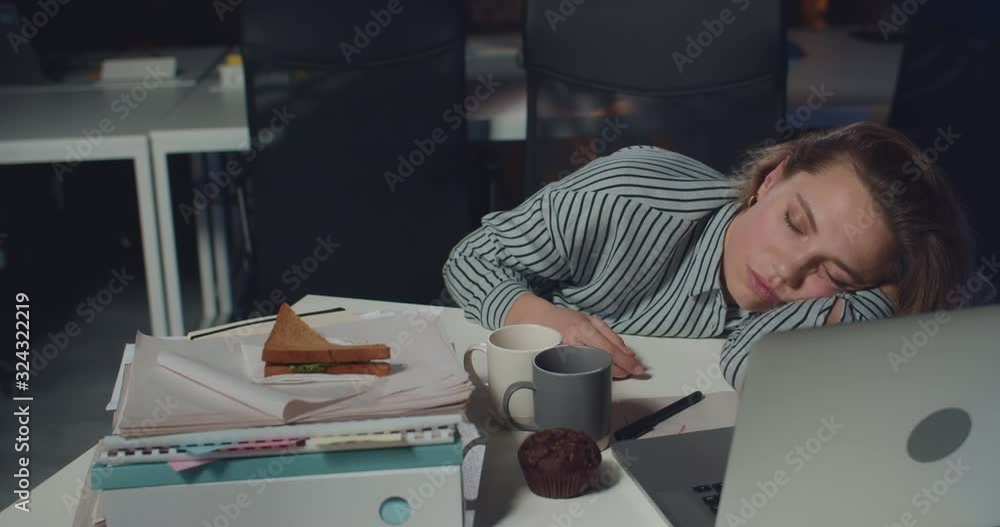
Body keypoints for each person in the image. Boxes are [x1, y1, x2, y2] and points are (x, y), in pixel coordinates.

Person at [442, 123, 972, 389]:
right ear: (772, 180)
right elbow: (470, 260)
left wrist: (889, 295)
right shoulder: (625, 196)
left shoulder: (823, 302)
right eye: (793, 223)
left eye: (832, 271)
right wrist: (545, 319)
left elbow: (751, 369)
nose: (786, 271)